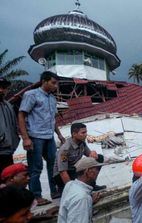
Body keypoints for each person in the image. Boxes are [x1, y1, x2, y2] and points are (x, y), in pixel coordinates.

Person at [18, 71, 65, 205]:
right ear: (44, 81)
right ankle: (36, 196)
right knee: (35, 168)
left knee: (54, 165)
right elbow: (21, 115)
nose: (55, 86)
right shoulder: (31, 95)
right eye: (53, 83)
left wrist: (60, 135)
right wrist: (26, 138)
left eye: (57, 83)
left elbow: (53, 120)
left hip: (49, 136)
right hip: (35, 136)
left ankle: (54, 191)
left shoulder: (52, 98)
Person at [53, 123, 106, 193]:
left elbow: (89, 155)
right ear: (74, 134)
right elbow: (63, 172)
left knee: (99, 158)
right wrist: (72, 190)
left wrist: (93, 153)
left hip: (74, 170)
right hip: (62, 175)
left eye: (86, 132)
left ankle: (92, 185)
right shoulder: (65, 149)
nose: (86, 134)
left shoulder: (82, 142)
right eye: (83, 133)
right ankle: (65, 188)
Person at [57, 157, 104, 223]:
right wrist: (86, 201)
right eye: (97, 169)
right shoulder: (82, 198)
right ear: (87, 171)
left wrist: (89, 202)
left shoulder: (70, 184)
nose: (98, 172)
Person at [0, 77, 20, 175]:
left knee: (7, 179)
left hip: (7, 150)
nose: (1, 90)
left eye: (4, 87)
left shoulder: (7, 105)